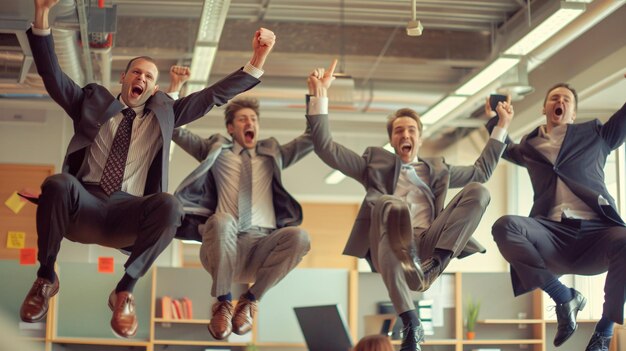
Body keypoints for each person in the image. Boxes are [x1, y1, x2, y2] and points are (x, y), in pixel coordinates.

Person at [20, 0, 274, 338]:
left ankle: (125, 291)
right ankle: (46, 278)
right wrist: (42, 16)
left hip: (129, 215)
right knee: (58, 183)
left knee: (170, 204)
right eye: (136, 72)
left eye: (149, 77)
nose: (142, 78)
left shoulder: (165, 115)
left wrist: (257, 61)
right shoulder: (90, 102)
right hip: (84, 208)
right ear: (124, 78)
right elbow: (52, 74)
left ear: (154, 89)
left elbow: (212, 96)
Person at [305, 60, 513, 351]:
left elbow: (481, 171)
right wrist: (319, 96)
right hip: (388, 239)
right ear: (391, 139)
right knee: (391, 204)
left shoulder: (438, 169)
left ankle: (436, 265)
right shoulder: (372, 166)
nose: (405, 135)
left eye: (411, 130)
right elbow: (326, 147)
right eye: (399, 131)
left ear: (419, 136)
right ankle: (411, 324)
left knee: (478, 190)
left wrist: (501, 126)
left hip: (427, 242)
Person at [490, 81, 626, 351]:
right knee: (505, 226)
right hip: (550, 234)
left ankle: (604, 331)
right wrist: (499, 119)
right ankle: (564, 298)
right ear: (545, 108)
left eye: (565, 99)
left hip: (597, 234)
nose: (558, 102)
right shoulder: (529, 147)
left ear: (573, 113)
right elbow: (502, 146)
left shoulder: (596, 135)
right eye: (553, 98)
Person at [172, 95, 313, 340]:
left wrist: (317, 95)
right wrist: (176, 91)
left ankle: (250, 300)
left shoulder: (273, 154)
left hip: (263, 247)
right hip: (223, 244)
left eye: (254, 119)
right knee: (223, 219)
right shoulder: (215, 149)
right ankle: (223, 302)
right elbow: (176, 130)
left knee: (300, 237)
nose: (250, 123)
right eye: (242, 119)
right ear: (230, 128)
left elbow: (313, 137)